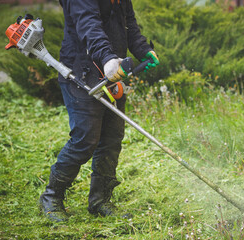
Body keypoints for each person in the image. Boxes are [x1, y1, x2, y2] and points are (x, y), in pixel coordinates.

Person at [39, 0, 159, 222]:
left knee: (112, 137)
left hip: (113, 71)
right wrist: (107, 58)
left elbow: (128, 24)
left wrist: (144, 49)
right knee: (85, 138)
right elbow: (88, 24)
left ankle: (100, 200)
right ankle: (51, 196)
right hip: (81, 71)